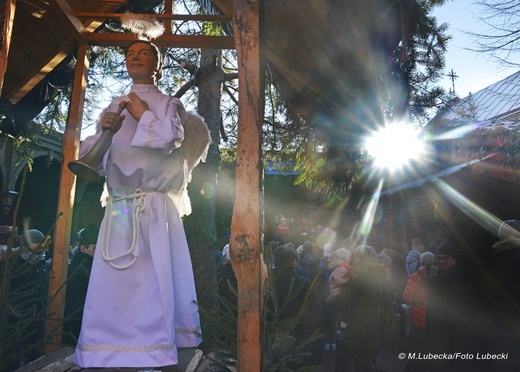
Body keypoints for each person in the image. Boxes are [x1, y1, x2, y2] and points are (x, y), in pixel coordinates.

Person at [73, 40, 206, 368]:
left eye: (143, 52)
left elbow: (170, 139)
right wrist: (103, 131)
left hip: (154, 206)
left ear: (157, 66)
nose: (134, 57)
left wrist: (143, 115)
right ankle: (103, 349)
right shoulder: (113, 106)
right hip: (119, 206)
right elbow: (94, 158)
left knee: (149, 279)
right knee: (115, 282)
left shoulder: (170, 104)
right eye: (130, 54)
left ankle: (154, 350)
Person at [63, 224, 99, 345]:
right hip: (77, 325)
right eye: (94, 248)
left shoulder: (88, 267)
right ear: (83, 248)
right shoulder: (82, 270)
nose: (98, 252)